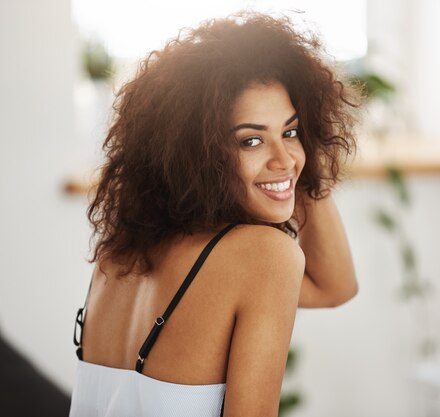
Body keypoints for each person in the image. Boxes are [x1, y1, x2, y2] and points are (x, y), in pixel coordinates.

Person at [70, 10, 360, 417]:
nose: (284, 159)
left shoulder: (117, 256)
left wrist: (301, 160)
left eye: (290, 132)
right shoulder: (262, 255)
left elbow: (334, 287)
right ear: (196, 153)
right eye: (251, 140)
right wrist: (297, 166)